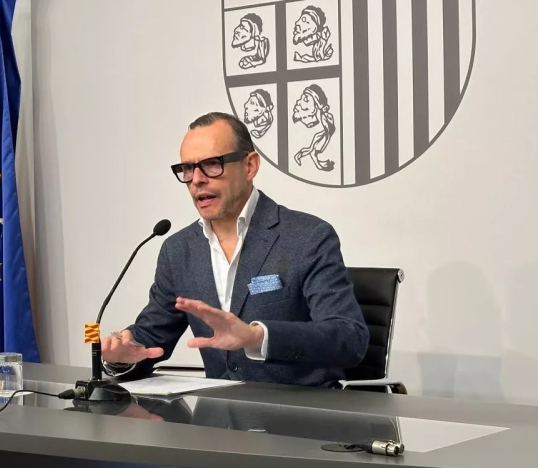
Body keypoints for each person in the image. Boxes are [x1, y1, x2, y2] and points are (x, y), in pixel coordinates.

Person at [101, 112, 368, 388]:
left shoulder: (308, 237)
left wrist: (257, 337)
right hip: (218, 410)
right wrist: (123, 356)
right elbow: (151, 338)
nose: (196, 179)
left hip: (300, 409)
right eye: (188, 168)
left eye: (211, 164)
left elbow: (350, 338)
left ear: (249, 166)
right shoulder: (178, 250)